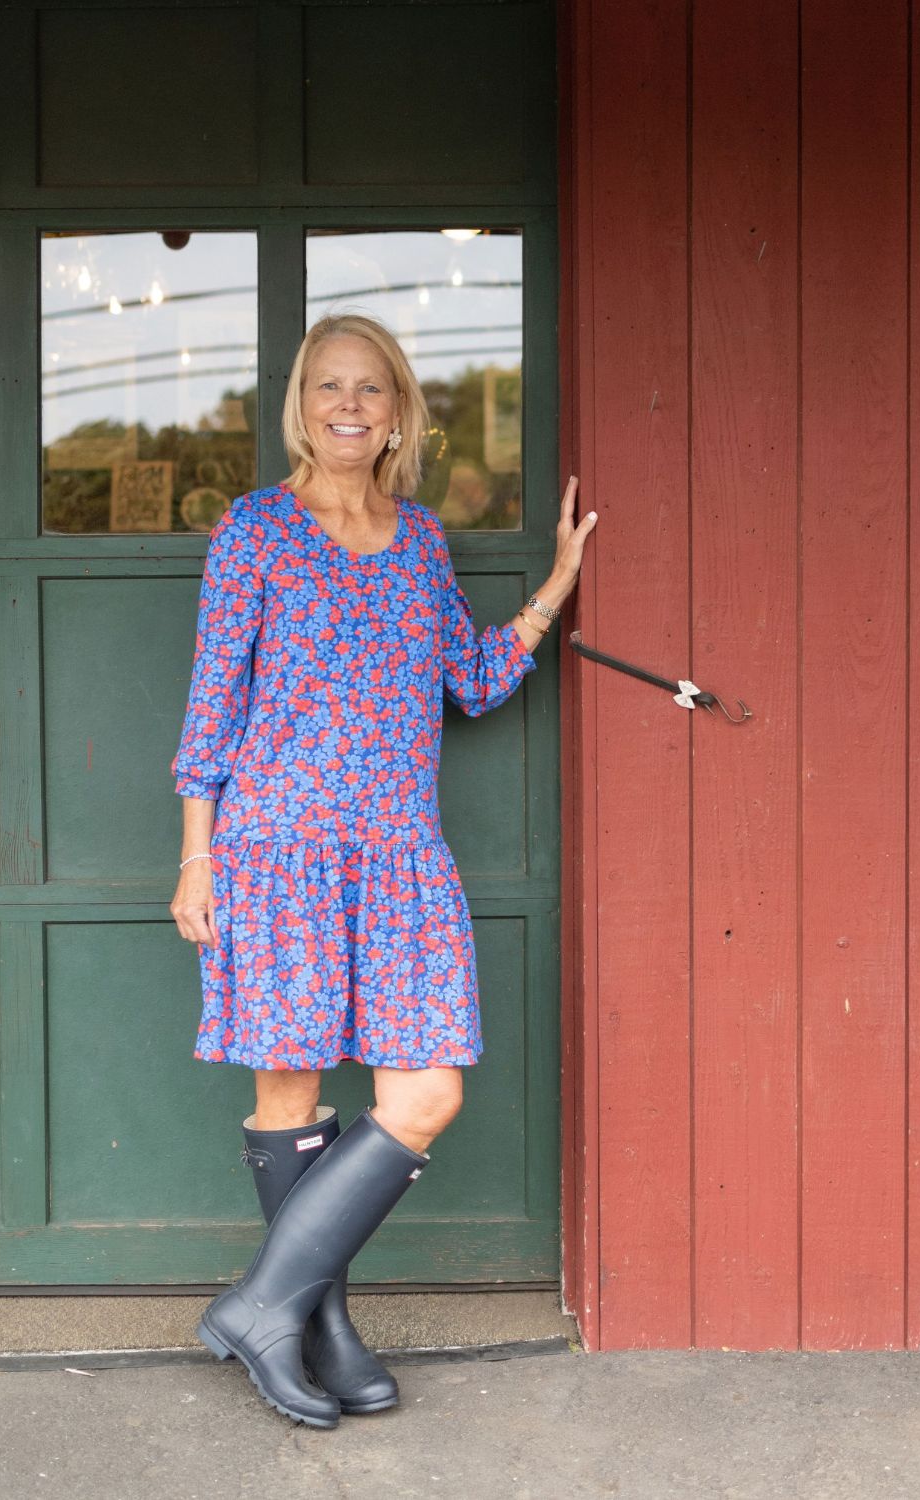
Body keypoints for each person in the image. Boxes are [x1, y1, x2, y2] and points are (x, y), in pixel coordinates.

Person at [169, 312, 596, 1429]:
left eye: (370, 389)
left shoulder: (420, 540)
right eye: (328, 387)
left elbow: (470, 679)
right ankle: (319, 1329)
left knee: (425, 1093)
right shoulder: (255, 530)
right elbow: (213, 704)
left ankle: (260, 1307)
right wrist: (197, 856)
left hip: (400, 856)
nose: (348, 406)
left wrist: (556, 585)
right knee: (291, 1092)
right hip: (278, 850)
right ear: (300, 407)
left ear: (398, 411)